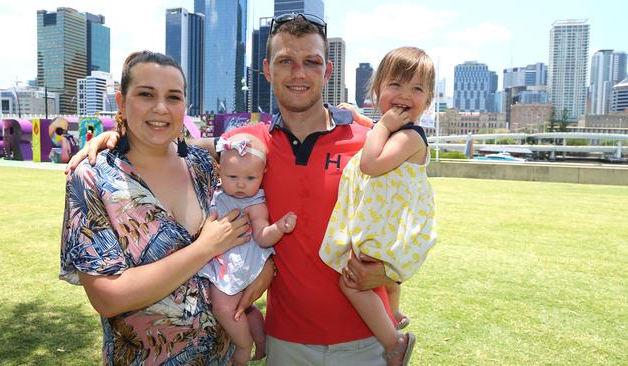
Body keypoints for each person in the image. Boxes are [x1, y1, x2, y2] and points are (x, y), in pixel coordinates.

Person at [68, 14, 408, 366]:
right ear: (266, 69)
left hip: (363, 340)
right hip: (285, 340)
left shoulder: (368, 145)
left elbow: (413, 221)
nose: (298, 73)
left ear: (328, 70)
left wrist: (391, 271)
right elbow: (171, 141)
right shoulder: (247, 148)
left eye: (311, 62)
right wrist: (118, 138)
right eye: (285, 61)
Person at [59, 50, 275, 365]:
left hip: (222, 356)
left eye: (173, 97)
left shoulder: (202, 165)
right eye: (146, 94)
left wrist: (267, 270)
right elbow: (107, 297)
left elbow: (258, 155)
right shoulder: (93, 178)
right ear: (121, 101)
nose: (161, 108)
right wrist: (204, 248)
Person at [319, 46, 438, 365]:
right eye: (395, 85)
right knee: (383, 277)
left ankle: (394, 343)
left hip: (385, 233)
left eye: (416, 88)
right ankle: (395, 312)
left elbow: (371, 163)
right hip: (387, 229)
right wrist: (361, 118)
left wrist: (382, 125)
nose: (405, 94)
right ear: (377, 91)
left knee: (353, 283)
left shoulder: (410, 137)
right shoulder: (391, 132)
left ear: (427, 101)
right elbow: (375, 132)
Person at [200, 132, 297, 365]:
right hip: (222, 257)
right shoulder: (217, 192)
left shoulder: (254, 204)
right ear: (219, 170)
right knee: (246, 307)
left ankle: (243, 346)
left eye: (250, 178)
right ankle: (261, 340)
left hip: (239, 263)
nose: (241, 184)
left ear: (263, 175)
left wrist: (279, 228)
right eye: (232, 176)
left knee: (223, 306)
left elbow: (263, 237)